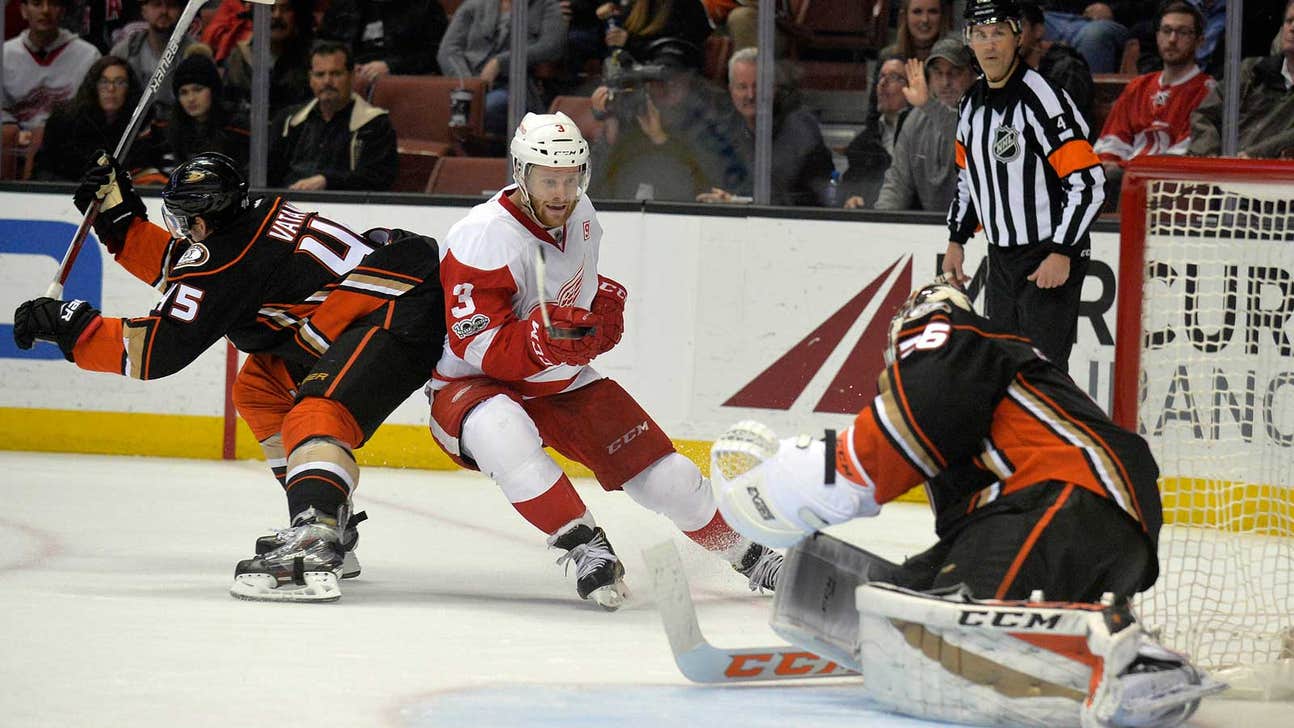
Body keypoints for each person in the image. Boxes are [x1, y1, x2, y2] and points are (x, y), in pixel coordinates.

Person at [708, 277, 1216, 728]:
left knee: (951, 622)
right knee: (900, 603)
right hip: (1074, 511)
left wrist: (803, 476)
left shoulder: (944, 329)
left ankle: (1138, 664)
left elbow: (889, 444)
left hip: (1065, 497)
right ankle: (1093, 638)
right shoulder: (988, 377)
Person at [12, 151, 446, 603]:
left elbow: (157, 351)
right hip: (374, 297)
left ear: (200, 222)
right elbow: (197, 274)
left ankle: (316, 536)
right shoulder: (246, 228)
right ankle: (325, 519)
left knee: (315, 414)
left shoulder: (231, 261)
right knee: (259, 390)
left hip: (398, 305)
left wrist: (72, 327)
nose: (183, 229)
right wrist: (120, 223)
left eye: (183, 220)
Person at [427, 112, 782, 609]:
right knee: (504, 433)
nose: (561, 192)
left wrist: (599, 310)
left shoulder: (584, 215)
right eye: (549, 179)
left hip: (555, 380)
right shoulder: (483, 236)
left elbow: (575, 293)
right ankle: (584, 545)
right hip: (472, 387)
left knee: (668, 477)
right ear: (521, 174)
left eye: (571, 178)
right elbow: (475, 343)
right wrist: (544, 342)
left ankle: (751, 555)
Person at [942, 0, 1105, 374]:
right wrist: (956, 239)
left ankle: (1058, 434)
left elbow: (1088, 182)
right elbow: (968, 176)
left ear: (1018, 37)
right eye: (980, 35)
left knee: (1040, 377)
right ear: (969, 40)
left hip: (1047, 255)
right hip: (1001, 258)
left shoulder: (1042, 99)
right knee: (1000, 372)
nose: (989, 45)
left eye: (998, 32)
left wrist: (1062, 251)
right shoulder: (970, 103)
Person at [588, 39, 741, 202]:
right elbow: (590, 193)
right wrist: (610, 136)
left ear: (689, 83)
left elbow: (705, 192)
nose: (663, 90)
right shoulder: (632, 117)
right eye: (655, 83)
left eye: (673, 82)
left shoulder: (706, 124)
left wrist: (661, 140)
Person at [1095, 2, 1212, 200]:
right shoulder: (1138, 86)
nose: (1172, 39)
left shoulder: (1207, 90)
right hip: (1124, 185)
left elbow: (1189, 153)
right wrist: (1110, 166)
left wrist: (1127, 171)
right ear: (1157, 35)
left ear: (1199, 41)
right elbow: (1111, 141)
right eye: (1166, 31)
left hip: (1174, 195)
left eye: (1183, 32)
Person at [695, 48, 834, 207]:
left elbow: (816, 196)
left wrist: (739, 201)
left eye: (758, 86)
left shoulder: (800, 128)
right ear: (731, 89)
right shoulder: (723, 128)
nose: (750, 95)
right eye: (742, 87)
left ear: (773, 89)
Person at [267, 40, 398, 191]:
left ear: (351, 76)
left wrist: (327, 181)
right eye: (320, 74)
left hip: (343, 210)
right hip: (286, 206)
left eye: (335, 74)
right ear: (310, 78)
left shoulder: (375, 124)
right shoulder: (288, 120)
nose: (327, 81)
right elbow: (263, 173)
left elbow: (378, 179)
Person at [437, 0, 568, 138]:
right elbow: (448, 50)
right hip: (466, 84)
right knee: (431, 106)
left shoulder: (547, 5)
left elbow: (551, 46)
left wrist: (500, 62)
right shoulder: (473, 5)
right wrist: (469, 83)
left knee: (485, 108)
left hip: (514, 86)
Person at [872, 38, 976, 211]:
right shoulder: (915, 121)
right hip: (928, 228)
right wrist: (880, 224)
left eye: (954, 72)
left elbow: (964, 134)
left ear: (972, 75)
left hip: (979, 228)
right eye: (938, 73)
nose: (945, 82)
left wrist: (928, 105)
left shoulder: (985, 113)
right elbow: (897, 185)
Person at [1188, 0, 1294, 160]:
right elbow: (1204, 115)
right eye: (1289, 21)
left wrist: (1253, 156)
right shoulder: (1251, 69)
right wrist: (1209, 155)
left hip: (1274, 178)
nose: (1292, 28)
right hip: (1221, 169)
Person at [32, 55, 161, 181]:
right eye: (104, 81)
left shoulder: (139, 124)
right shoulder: (65, 121)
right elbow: (43, 170)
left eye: (120, 82)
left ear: (130, 88)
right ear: (93, 86)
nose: (111, 89)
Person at [2, 0, 101, 136]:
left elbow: (95, 113)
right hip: (14, 146)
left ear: (63, 11)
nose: (45, 11)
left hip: (69, 143)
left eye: (54, 4)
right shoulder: (5, 55)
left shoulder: (89, 56)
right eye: (37, 4)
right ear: (24, 10)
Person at [222, 0, 315, 121]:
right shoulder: (239, 58)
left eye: (285, 9)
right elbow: (227, 106)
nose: (277, 15)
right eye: (270, 9)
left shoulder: (312, 59)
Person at [839, 54, 910, 209]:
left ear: (911, 89)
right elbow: (849, 186)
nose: (883, 83)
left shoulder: (925, 134)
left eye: (894, 77)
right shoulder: (862, 143)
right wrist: (851, 197)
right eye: (881, 77)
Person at [162, 48, 250, 173]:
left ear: (213, 91)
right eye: (184, 92)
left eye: (198, 89)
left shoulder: (238, 131)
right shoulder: (168, 131)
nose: (191, 99)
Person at [318, 0, 450, 83]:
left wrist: (391, 66)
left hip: (400, 80)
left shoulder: (425, 6)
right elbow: (321, 47)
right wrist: (345, 64)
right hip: (347, 80)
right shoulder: (342, 8)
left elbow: (436, 54)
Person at [1018, 1, 1094, 135]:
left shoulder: (1067, 69)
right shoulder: (995, 72)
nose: (1012, 36)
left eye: (1019, 26)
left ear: (1038, 30)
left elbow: (1065, 129)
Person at [109, 0, 191, 116]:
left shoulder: (194, 53)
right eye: (157, 4)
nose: (164, 11)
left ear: (181, 12)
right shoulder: (124, 52)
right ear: (144, 11)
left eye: (171, 5)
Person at [1037, 1, 1153, 74]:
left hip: (1107, 22)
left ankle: (1082, 107)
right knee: (1025, 21)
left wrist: (1112, 10)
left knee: (1094, 35)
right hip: (1054, 17)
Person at [881, 0, 954, 62]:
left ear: (942, 16)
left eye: (932, 12)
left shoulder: (954, 58)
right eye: (917, 12)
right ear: (904, 16)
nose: (925, 19)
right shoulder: (888, 58)